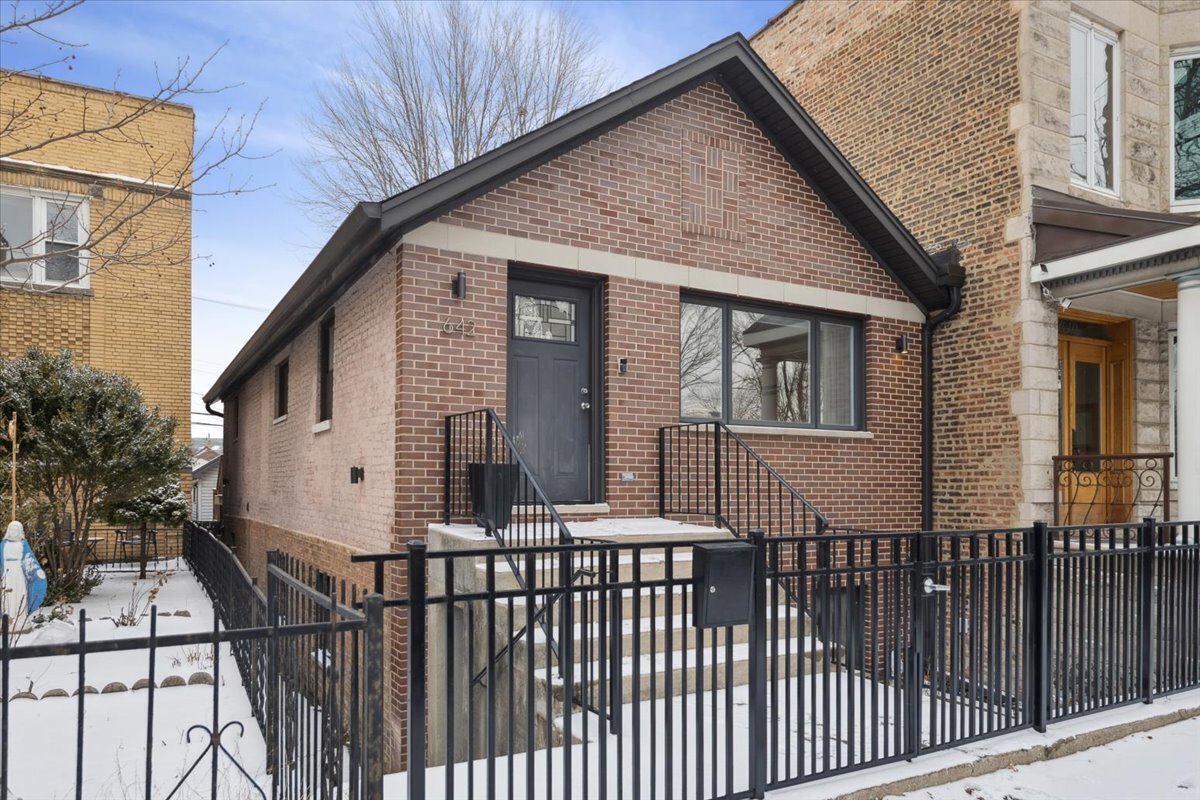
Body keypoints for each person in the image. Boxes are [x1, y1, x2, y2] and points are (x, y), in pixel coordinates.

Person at [2, 521, 46, 631]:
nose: (13, 532)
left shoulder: (23, 544)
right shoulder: (3, 544)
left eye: (16, 530)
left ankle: (19, 617)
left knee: (19, 593)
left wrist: (36, 571)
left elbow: (28, 559)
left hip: (18, 573)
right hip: (6, 574)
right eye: (11, 529)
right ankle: (6, 617)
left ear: (20, 531)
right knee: (6, 595)